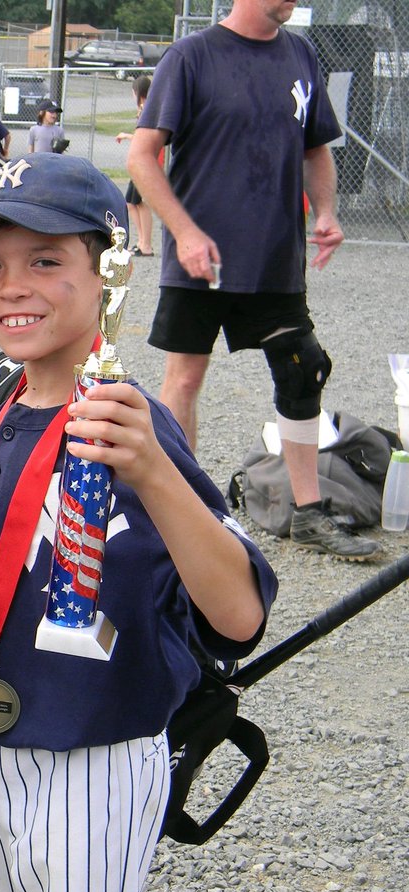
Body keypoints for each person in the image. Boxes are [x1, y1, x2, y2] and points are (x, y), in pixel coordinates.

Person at [0, 152, 276, 892]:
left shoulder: (127, 422)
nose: (11, 287)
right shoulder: (10, 399)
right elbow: (15, 574)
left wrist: (153, 472)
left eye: (43, 259)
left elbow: (238, 618)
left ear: (109, 272)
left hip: (97, 748)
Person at [126, 0, 378, 559]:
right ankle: (183, 508)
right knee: (185, 380)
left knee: (304, 367)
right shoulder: (191, 57)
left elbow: (316, 147)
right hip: (201, 262)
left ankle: (308, 513)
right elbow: (143, 157)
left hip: (273, 257)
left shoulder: (301, 55)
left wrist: (328, 212)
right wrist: (185, 233)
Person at [114, 75, 155, 256]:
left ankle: (146, 244)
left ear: (137, 92)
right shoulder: (144, 109)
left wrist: (126, 135)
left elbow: (144, 138)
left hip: (146, 163)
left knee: (139, 202)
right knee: (131, 202)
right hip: (140, 163)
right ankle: (141, 241)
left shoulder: (149, 110)